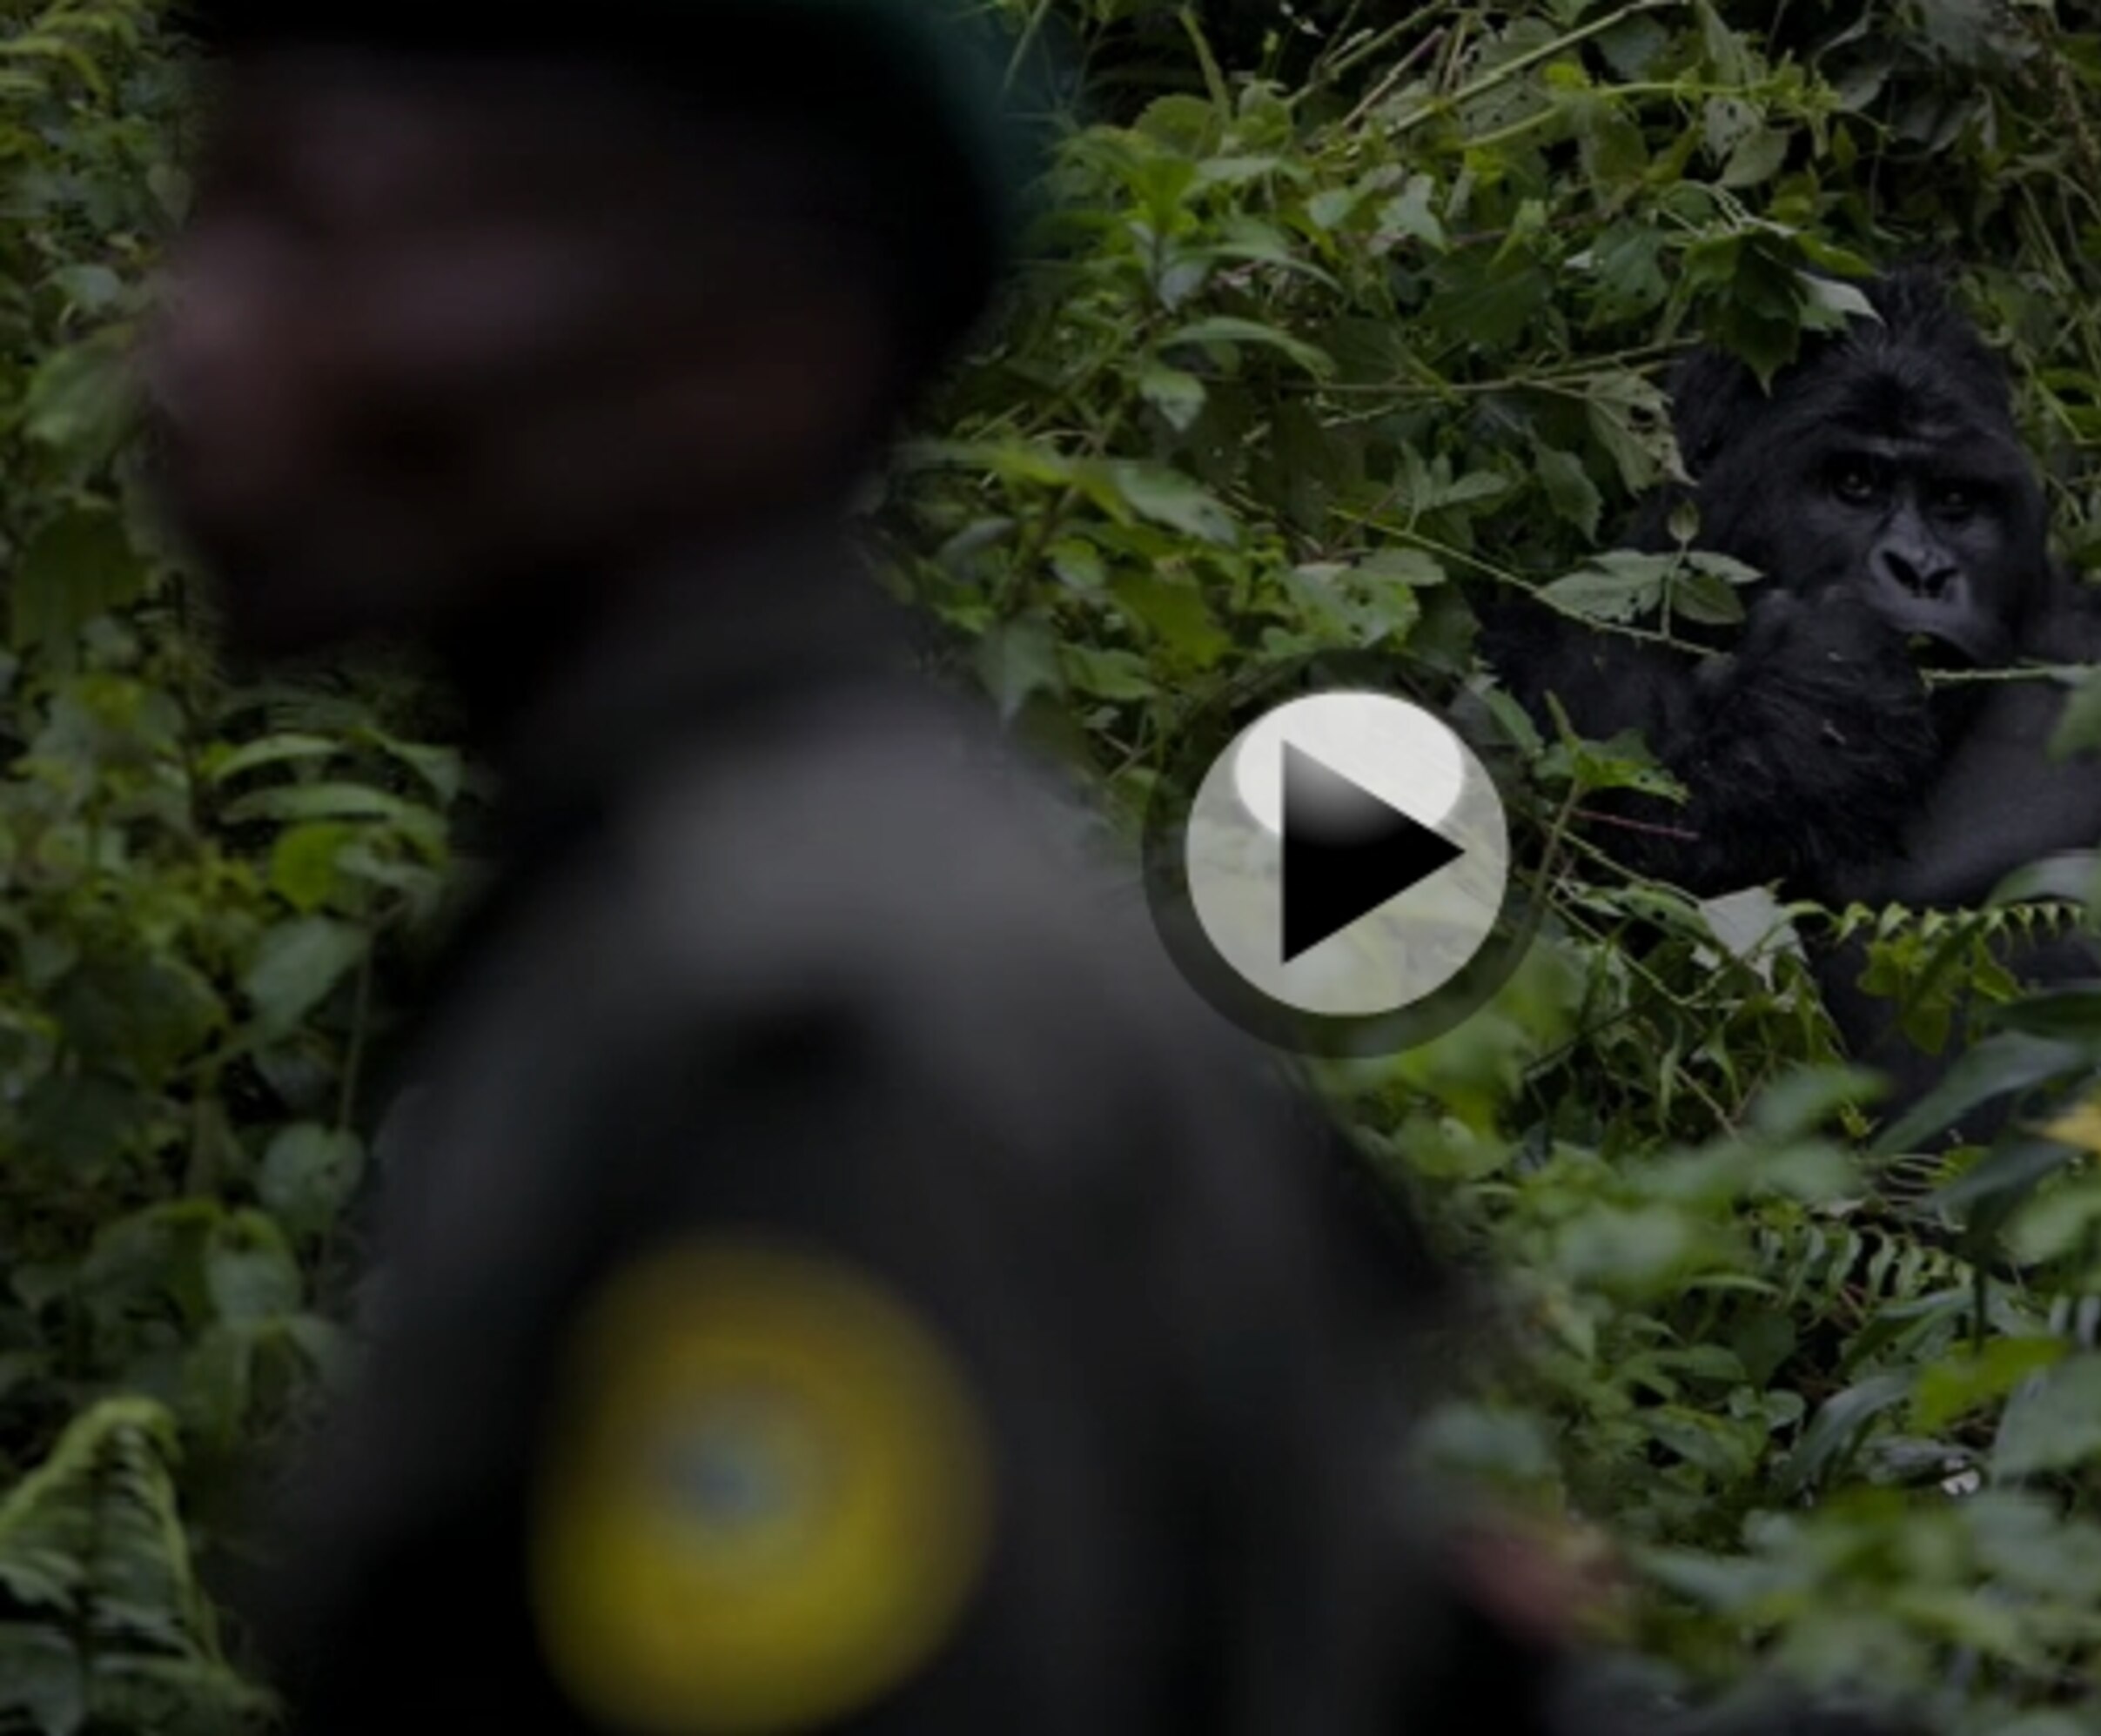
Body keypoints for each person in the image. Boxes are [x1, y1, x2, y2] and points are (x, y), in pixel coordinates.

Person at [146, 4, 1936, 1733]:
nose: (186, 333)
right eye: (206, 206)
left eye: (316, 217)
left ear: (747, 339)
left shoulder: (804, 1011)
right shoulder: (780, 896)